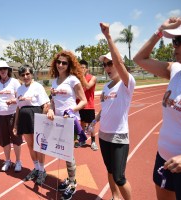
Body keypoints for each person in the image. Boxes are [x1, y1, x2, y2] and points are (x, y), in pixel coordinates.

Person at [133, 16, 181, 200]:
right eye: (173, 40)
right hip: (164, 160)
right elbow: (139, 58)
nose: (174, 45)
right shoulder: (176, 70)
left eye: (180, 40)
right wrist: (159, 31)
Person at [92, 23, 135, 200]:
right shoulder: (106, 87)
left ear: (119, 63)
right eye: (105, 64)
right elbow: (104, 110)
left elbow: (119, 63)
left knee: (119, 176)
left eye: (111, 63)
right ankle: (115, 197)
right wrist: (94, 122)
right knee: (110, 171)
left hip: (119, 137)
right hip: (104, 136)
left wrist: (108, 36)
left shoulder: (127, 83)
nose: (108, 67)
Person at [46, 50, 87, 200]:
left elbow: (83, 101)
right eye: (59, 62)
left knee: (68, 153)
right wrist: (50, 109)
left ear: (69, 65)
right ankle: (70, 179)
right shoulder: (54, 81)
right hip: (57, 122)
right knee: (62, 151)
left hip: (70, 121)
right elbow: (53, 100)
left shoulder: (73, 80)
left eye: (64, 63)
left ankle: (72, 183)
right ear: (55, 64)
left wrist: (71, 110)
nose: (61, 65)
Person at [14, 65, 50, 185]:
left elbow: (46, 104)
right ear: (20, 76)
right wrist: (15, 124)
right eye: (23, 75)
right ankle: (36, 168)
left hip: (36, 117)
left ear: (31, 74)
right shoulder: (19, 89)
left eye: (27, 74)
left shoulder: (38, 86)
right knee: (30, 145)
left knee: (39, 146)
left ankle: (42, 170)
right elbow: (18, 108)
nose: (25, 77)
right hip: (24, 119)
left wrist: (43, 121)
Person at [77, 59, 98, 150]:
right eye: (80, 68)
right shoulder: (77, 79)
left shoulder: (92, 78)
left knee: (91, 125)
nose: (82, 70)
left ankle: (93, 142)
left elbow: (88, 86)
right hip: (80, 105)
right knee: (81, 124)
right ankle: (82, 140)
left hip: (89, 105)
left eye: (83, 68)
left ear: (87, 69)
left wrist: (82, 77)